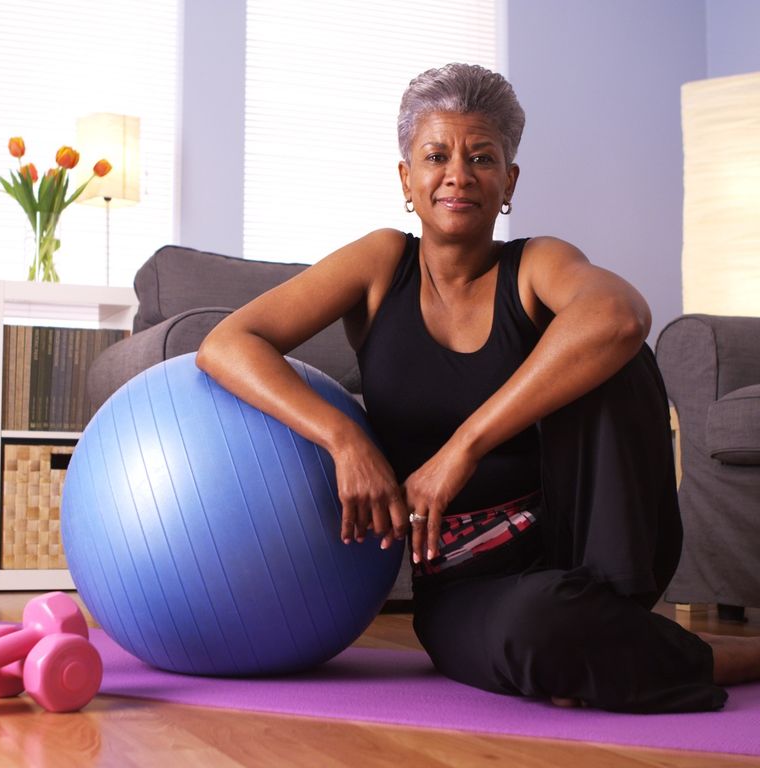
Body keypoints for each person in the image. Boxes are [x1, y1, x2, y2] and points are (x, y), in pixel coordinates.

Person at [197, 63, 760, 712]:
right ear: (407, 180)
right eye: (436, 156)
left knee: (611, 348)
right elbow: (228, 344)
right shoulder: (381, 264)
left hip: (587, 545)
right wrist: (345, 439)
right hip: (465, 580)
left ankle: (624, 626)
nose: (458, 175)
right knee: (538, 634)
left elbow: (623, 315)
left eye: (481, 157)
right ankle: (658, 651)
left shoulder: (535, 265)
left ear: (508, 182)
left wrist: (460, 450)